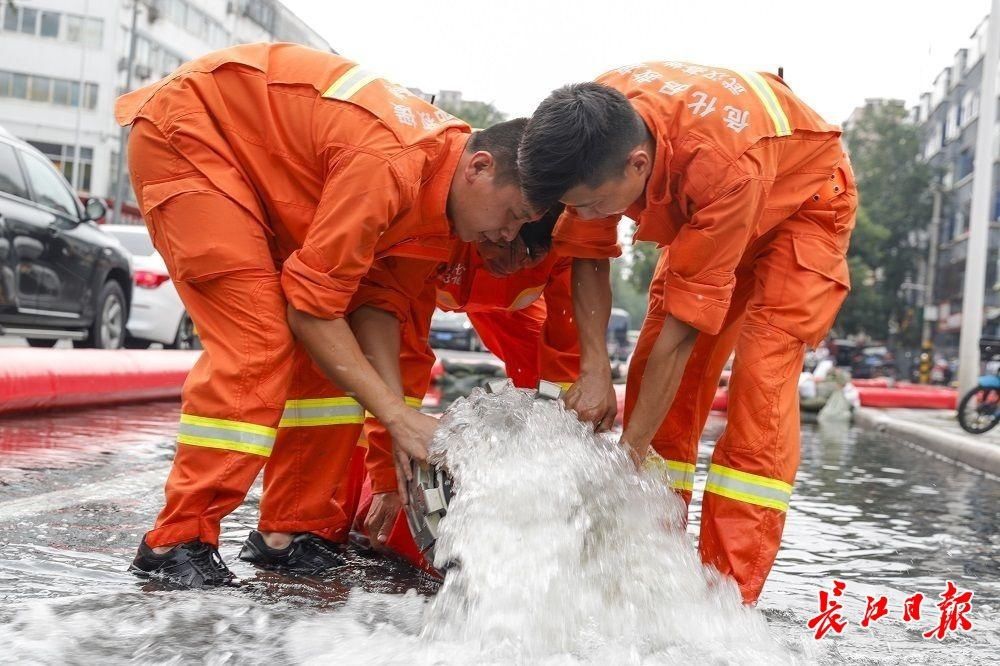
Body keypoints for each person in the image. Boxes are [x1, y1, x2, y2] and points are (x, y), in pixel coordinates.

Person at [115, 43, 539, 588]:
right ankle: (179, 540)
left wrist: (394, 448)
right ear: (481, 168)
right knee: (259, 343)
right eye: (513, 216)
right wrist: (395, 414)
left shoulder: (440, 199)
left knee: (330, 364)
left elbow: (378, 314)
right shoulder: (393, 163)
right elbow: (310, 311)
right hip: (197, 136)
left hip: (266, 174)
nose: (507, 237)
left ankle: (291, 532)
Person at [518, 61, 857, 604]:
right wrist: (595, 368)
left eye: (593, 204)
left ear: (639, 164)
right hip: (715, 202)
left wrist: (623, 461)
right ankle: (648, 574)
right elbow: (588, 254)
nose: (584, 214)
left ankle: (725, 599)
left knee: (759, 388)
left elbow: (685, 332)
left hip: (803, 208)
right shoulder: (594, 124)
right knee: (660, 385)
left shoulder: (721, 168)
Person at [331, 207, 579, 557]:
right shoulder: (445, 223)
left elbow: (566, 360)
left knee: (553, 400)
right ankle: (340, 511)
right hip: (431, 280)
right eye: (505, 246)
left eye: (529, 257)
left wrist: (571, 471)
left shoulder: (567, 244)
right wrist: (388, 481)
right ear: (501, 224)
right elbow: (405, 361)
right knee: (374, 390)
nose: (511, 263)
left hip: (513, 309)